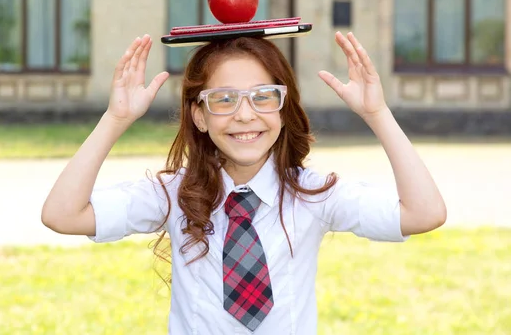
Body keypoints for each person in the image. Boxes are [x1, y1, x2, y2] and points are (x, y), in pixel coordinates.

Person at [41, 31, 447, 334]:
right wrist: (116, 120)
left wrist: (377, 114)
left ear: (283, 106)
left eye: (263, 96)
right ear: (199, 115)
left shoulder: (314, 194)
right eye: (224, 99)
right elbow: (62, 214)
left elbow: (424, 213)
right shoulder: (173, 195)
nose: (245, 115)